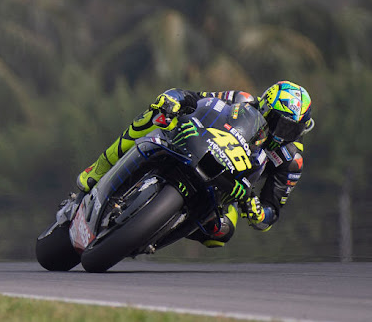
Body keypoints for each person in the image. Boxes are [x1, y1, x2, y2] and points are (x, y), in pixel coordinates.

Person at [76, 80, 313, 247]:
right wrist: (175, 100)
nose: (283, 135)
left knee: (221, 233)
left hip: (230, 187)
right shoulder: (242, 100)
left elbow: (273, 210)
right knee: (156, 115)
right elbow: (199, 99)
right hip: (197, 143)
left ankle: (157, 231)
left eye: (293, 129)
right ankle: (99, 168)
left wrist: (259, 213)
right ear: (266, 107)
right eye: (280, 124)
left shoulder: (291, 159)